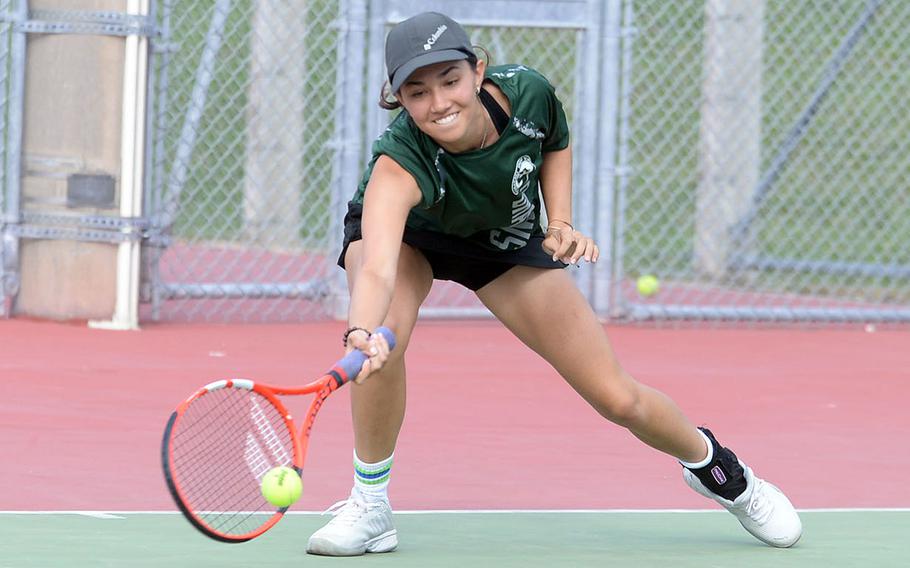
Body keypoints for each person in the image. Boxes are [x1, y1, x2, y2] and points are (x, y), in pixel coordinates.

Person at [306, 11, 802, 556]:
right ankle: (370, 505)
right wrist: (360, 331)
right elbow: (377, 266)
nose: (440, 101)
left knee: (617, 397)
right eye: (418, 92)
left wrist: (559, 223)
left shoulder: (527, 95)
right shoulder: (398, 165)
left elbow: (554, 141)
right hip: (411, 239)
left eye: (450, 81)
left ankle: (720, 471)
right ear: (398, 98)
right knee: (383, 339)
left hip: (500, 238)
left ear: (478, 70)